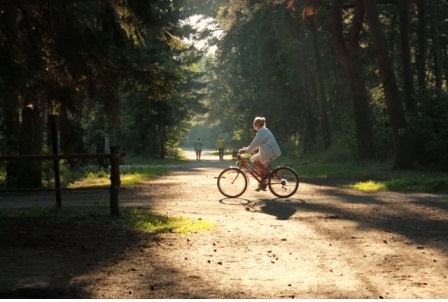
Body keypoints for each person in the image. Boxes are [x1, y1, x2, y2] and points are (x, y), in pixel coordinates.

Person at [240, 117, 281, 191]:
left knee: (253, 159)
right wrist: (246, 149)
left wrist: (247, 150)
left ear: (257, 124)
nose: (253, 126)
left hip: (269, 152)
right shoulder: (263, 130)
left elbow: (255, 144)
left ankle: (267, 173)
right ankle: (262, 184)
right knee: (260, 165)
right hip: (269, 151)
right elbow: (255, 144)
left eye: (254, 124)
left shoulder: (261, 131)